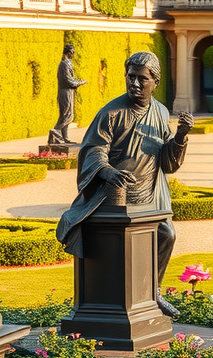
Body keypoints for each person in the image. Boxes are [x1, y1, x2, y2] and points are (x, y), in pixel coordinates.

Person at [56, 52, 193, 285]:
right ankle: (117, 294)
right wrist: (108, 171)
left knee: (166, 235)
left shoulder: (160, 112)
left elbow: (168, 164)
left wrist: (180, 137)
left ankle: (153, 290)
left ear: (155, 83)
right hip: (115, 197)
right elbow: (94, 149)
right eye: (131, 77)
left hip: (150, 196)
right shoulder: (111, 113)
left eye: (142, 79)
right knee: (118, 246)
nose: (135, 83)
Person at [48, 44, 86, 145]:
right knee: (67, 115)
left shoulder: (67, 63)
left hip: (68, 92)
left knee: (67, 114)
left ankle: (64, 137)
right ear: (69, 53)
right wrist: (80, 82)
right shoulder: (64, 64)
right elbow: (68, 80)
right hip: (65, 92)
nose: (73, 54)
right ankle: (55, 130)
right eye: (72, 52)